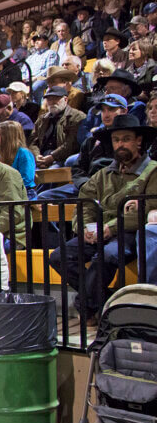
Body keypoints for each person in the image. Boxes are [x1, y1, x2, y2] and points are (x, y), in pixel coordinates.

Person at [49, 115, 153, 325]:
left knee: (106, 256)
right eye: (116, 140)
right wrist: (84, 229)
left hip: (131, 233)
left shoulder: (153, 171)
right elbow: (85, 203)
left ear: (138, 141)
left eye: (126, 139)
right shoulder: (103, 174)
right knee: (60, 256)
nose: (120, 144)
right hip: (98, 230)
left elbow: (148, 209)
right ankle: (103, 302)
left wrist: (111, 227)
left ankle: (85, 305)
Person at [0, 120, 38, 199]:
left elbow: (26, 180)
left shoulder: (24, 153)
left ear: (6, 136)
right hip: (4, 193)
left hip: (24, 194)